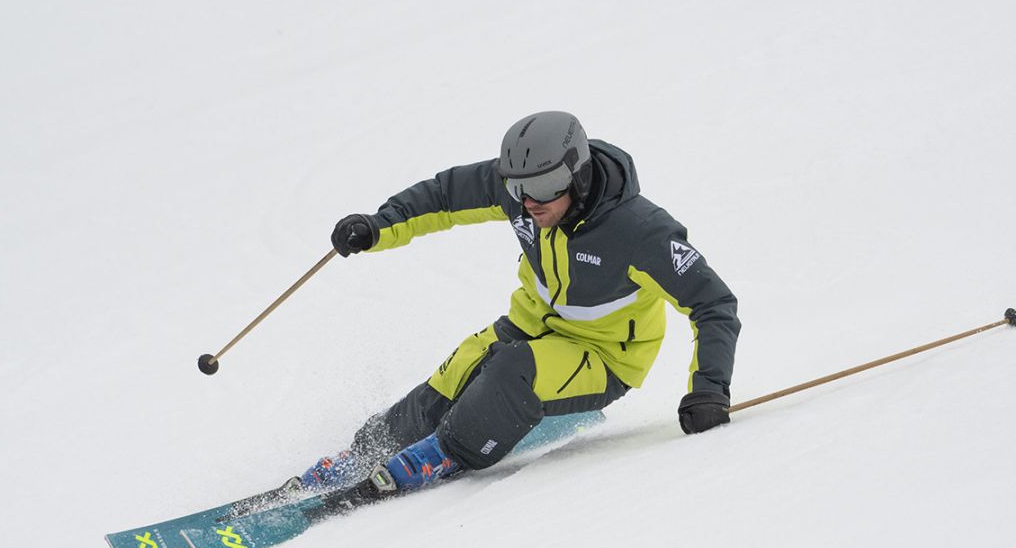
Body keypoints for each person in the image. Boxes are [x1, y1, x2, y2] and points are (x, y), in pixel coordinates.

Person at [302, 111, 740, 493]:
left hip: (602, 355)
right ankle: (364, 453)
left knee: (512, 371)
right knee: (461, 370)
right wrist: (378, 225)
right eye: (518, 188)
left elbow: (714, 304)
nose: (530, 202)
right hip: (527, 326)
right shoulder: (528, 197)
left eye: (546, 185)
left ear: (578, 173)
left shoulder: (640, 231)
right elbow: (445, 195)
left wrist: (709, 390)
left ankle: (446, 452)